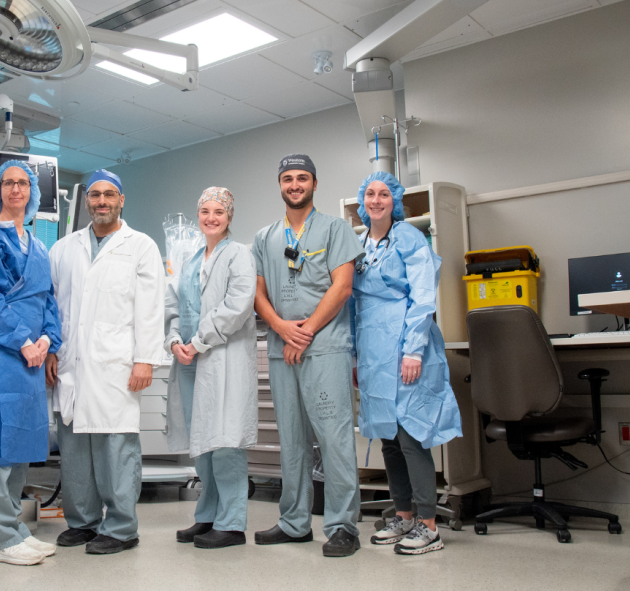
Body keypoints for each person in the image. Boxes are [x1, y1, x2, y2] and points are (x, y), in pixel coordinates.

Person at [46, 169, 165, 555]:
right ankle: (82, 522)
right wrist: (51, 349)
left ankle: (121, 528)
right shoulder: (63, 249)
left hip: (117, 362)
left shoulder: (140, 246)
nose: (101, 201)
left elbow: (150, 309)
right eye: (95, 195)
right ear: (86, 202)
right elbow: (52, 305)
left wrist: (145, 359)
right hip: (70, 362)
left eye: (109, 194)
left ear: (121, 200)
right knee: (75, 445)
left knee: (116, 447)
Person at [251, 154, 365, 557]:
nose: (294, 184)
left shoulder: (336, 230)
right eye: (287, 178)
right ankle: (295, 522)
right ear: (279, 185)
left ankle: (342, 526)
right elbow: (258, 293)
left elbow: (342, 287)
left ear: (314, 184)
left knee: (333, 438)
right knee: (292, 440)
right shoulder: (265, 237)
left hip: (324, 347)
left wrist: (307, 330)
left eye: (302, 178)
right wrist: (283, 329)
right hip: (283, 349)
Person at [349, 171, 462, 555]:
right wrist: (354, 354)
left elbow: (423, 295)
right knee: (388, 440)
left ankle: (429, 524)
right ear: (362, 202)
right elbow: (352, 303)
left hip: (404, 345)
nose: (375, 200)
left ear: (393, 201)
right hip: (372, 350)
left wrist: (413, 349)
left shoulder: (410, 238)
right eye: (369, 194)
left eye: (383, 194)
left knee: (411, 436)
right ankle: (404, 516)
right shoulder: (359, 243)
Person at [0, 160, 62, 566]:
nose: (16, 189)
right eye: (8, 183)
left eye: (23, 183)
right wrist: (22, 341)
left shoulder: (39, 246)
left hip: (32, 358)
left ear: (33, 191)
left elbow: (49, 301)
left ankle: (15, 527)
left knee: (20, 444)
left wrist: (46, 339)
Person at [164, 187, 258, 549]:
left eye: (219, 212)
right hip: (189, 362)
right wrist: (174, 342)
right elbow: (172, 306)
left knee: (225, 440)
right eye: (205, 211)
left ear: (229, 217)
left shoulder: (239, 255)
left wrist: (199, 341)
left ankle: (231, 523)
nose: (211, 218)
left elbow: (237, 306)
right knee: (200, 443)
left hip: (221, 359)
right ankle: (207, 516)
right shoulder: (190, 261)